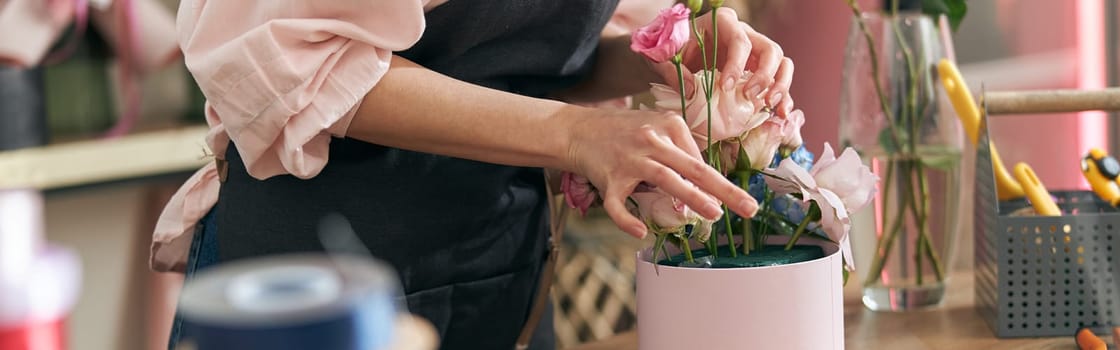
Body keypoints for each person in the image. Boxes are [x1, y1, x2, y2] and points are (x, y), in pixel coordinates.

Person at [155, 1, 796, 349]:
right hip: (313, 296)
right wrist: (575, 134)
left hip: (502, 279)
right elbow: (283, 63)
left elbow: (531, 60)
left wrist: (666, 61)